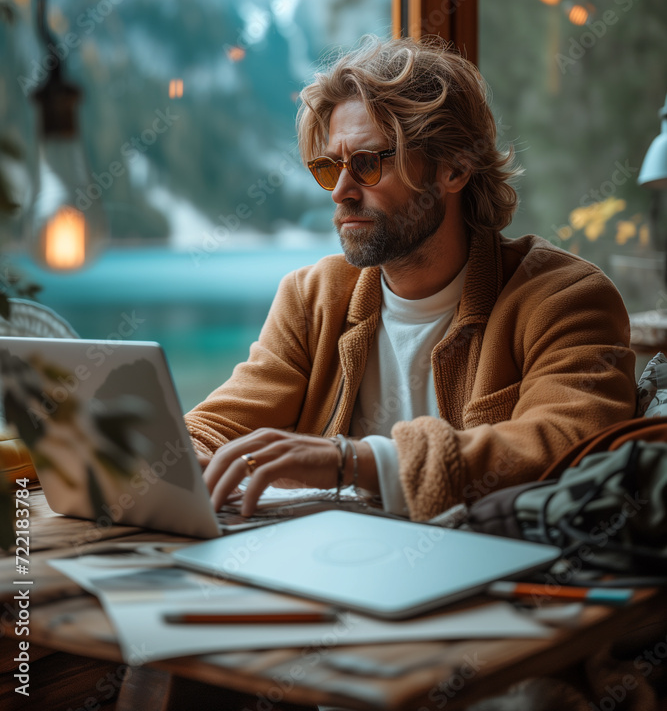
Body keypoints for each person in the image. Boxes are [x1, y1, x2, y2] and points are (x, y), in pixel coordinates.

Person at [184, 37, 636, 522]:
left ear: (455, 168)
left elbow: (570, 446)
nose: (340, 192)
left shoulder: (566, 299)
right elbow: (214, 427)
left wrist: (353, 463)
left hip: (490, 581)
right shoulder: (311, 298)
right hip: (330, 573)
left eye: (366, 163)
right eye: (329, 166)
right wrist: (171, 464)